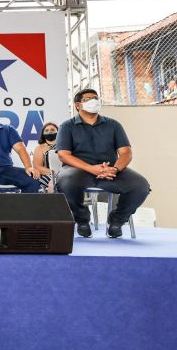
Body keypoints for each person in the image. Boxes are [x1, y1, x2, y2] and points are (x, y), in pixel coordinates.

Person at [56, 89, 150, 238]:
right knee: (66, 181)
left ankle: (116, 221)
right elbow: (63, 155)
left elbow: (126, 153)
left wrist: (115, 169)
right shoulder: (67, 126)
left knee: (141, 186)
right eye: (88, 99)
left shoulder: (113, 125)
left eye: (95, 98)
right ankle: (82, 220)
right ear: (78, 105)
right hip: (79, 170)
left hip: (111, 170)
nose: (93, 101)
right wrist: (91, 168)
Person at [33, 122, 59, 192]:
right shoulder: (39, 148)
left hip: (65, 173)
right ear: (43, 134)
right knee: (52, 184)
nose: (50, 132)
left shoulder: (65, 145)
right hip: (47, 174)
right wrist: (54, 173)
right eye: (46, 130)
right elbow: (37, 167)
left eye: (52, 130)